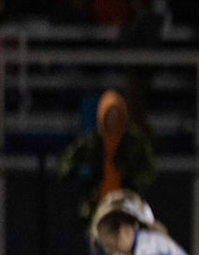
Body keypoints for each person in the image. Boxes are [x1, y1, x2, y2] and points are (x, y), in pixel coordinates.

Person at [58, 90, 156, 221]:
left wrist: (134, 182)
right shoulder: (92, 142)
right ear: (102, 116)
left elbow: (149, 169)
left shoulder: (134, 142)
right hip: (97, 204)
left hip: (127, 204)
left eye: (116, 115)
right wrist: (78, 176)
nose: (113, 120)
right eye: (109, 115)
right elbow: (65, 160)